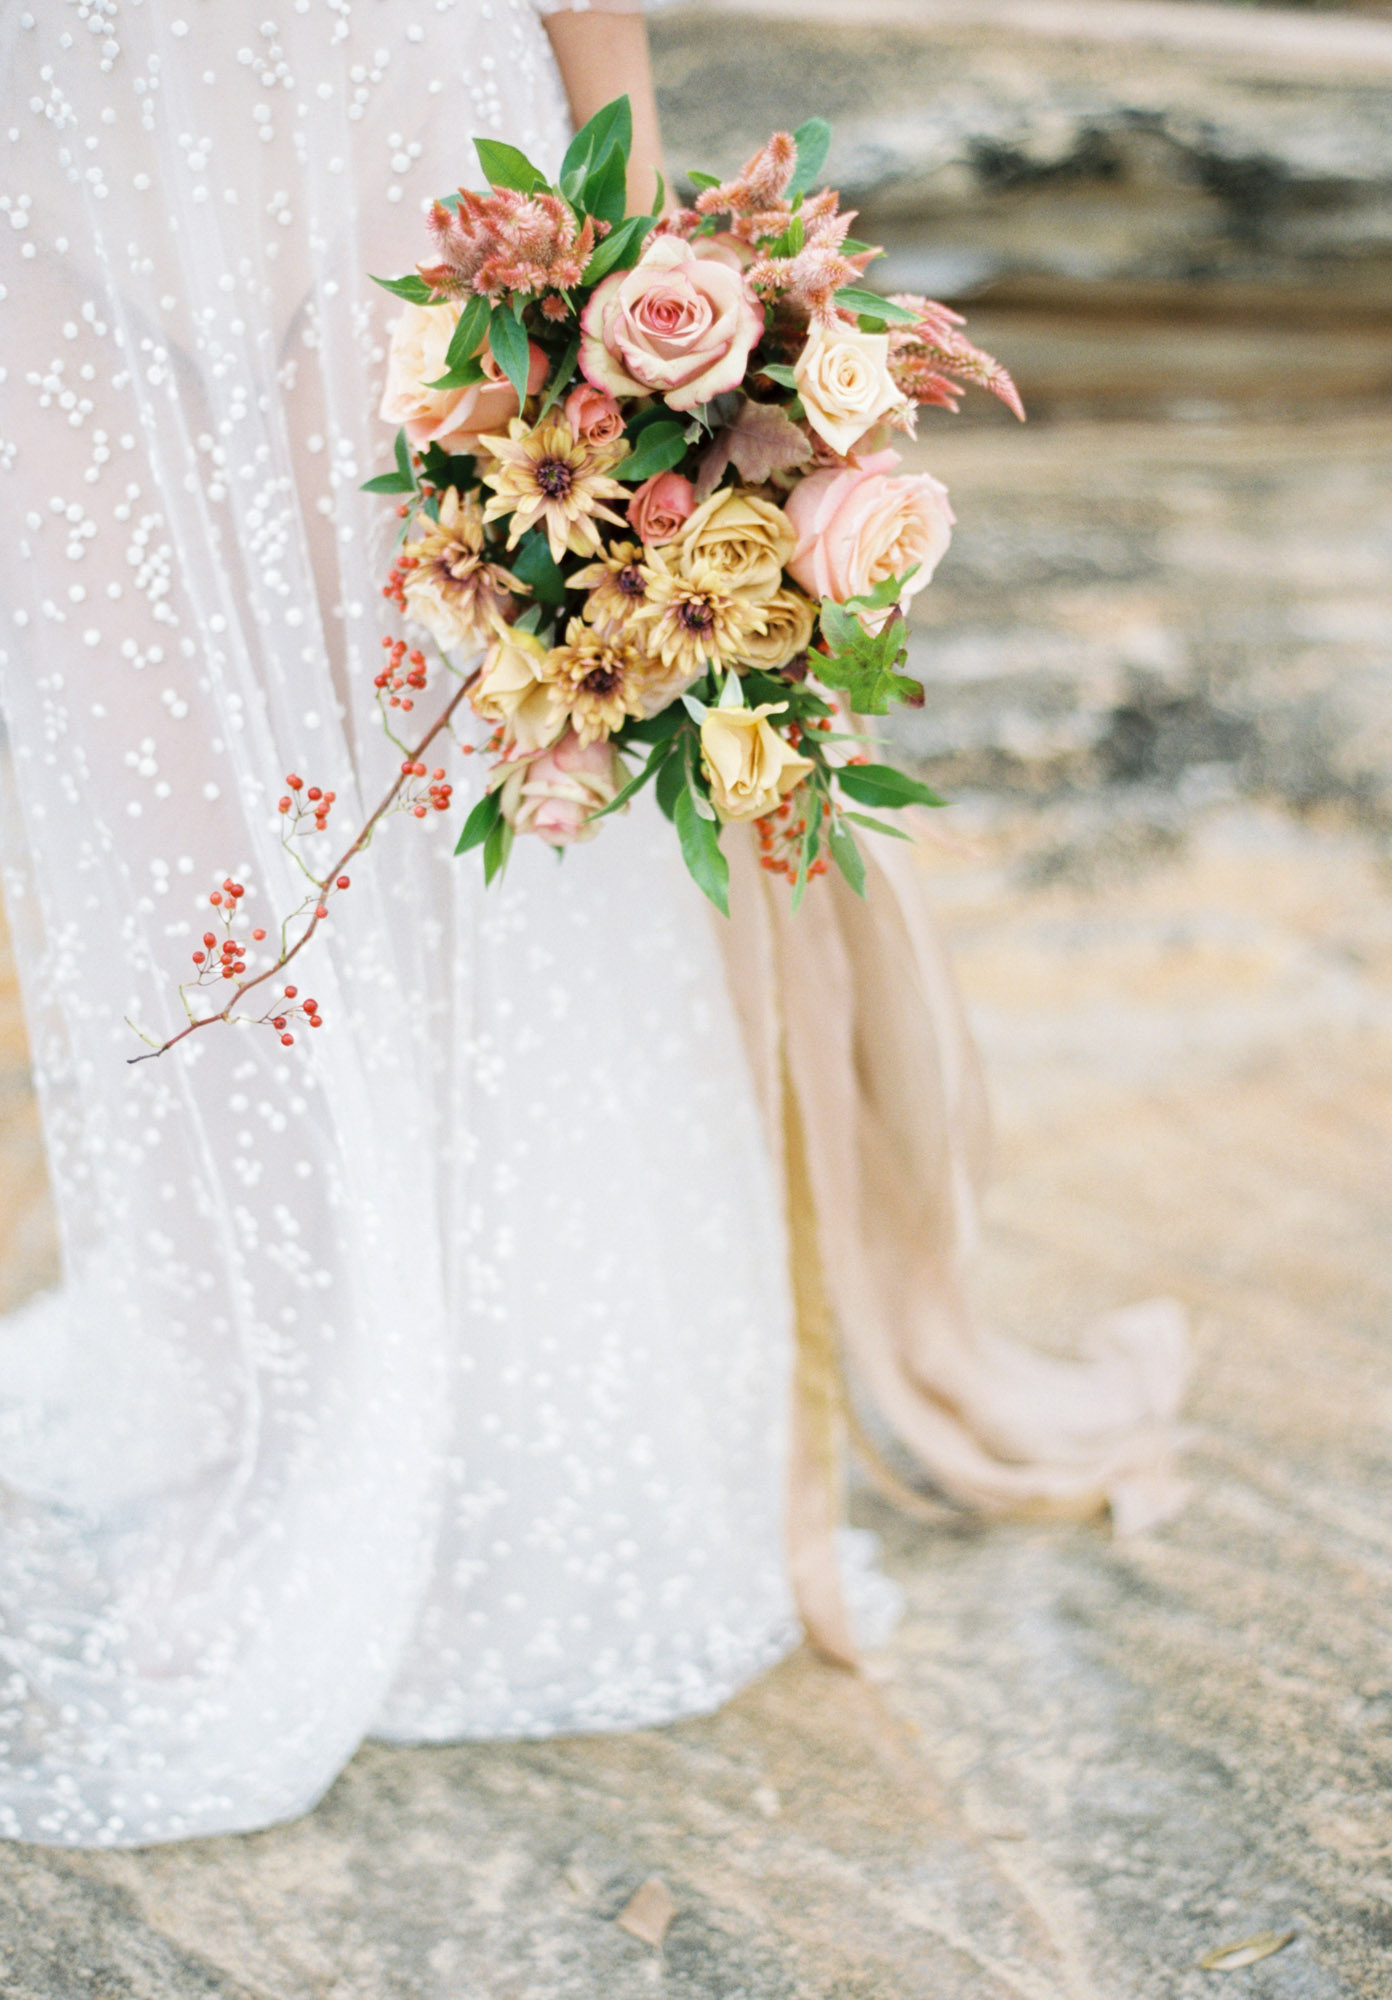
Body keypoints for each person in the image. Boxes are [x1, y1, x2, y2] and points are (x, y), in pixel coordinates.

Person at [0, 0, 1185, 1849]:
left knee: (451, 835)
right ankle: (248, 1427)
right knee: (165, 847)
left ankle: (480, 1417)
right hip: (53, 158)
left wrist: (635, 280)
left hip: (395, 166)